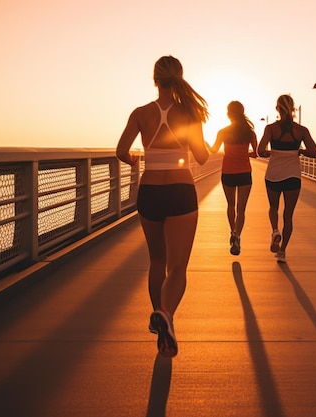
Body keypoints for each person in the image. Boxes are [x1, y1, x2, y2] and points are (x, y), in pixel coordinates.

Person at [116, 55, 209, 358]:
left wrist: (133, 160)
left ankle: (159, 315)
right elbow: (202, 157)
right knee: (178, 267)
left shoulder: (141, 113)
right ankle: (167, 315)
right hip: (181, 190)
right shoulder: (189, 113)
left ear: (155, 79)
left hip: (150, 191)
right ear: (179, 78)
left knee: (157, 261)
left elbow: (121, 150)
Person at [257, 94, 316, 262]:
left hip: (273, 175)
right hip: (293, 176)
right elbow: (314, 153)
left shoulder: (270, 129)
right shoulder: (301, 130)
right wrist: (299, 151)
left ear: (277, 109)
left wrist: (272, 152)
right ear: (293, 109)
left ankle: (275, 231)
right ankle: (282, 252)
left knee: (273, 208)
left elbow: (260, 151)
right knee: (288, 215)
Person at [208, 101, 258, 255]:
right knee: (241, 209)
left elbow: (214, 150)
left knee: (231, 205)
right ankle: (237, 235)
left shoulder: (223, 132)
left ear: (229, 113)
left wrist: (205, 144)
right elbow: (256, 154)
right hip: (244, 172)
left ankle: (232, 232)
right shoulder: (250, 132)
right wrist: (244, 153)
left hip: (228, 172)